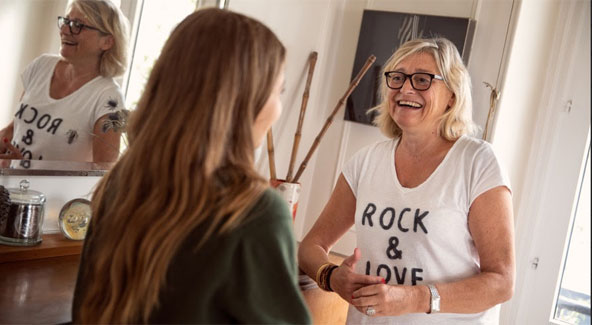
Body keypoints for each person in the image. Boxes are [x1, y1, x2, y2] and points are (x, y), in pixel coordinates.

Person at [71, 8, 312, 324]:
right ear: (242, 99)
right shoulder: (253, 212)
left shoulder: (121, 183)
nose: (279, 109)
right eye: (277, 92)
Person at [298, 38, 515, 324]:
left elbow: (502, 282)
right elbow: (311, 246)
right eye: (397, 78)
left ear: (452, 94)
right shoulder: (365, 162)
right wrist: (332, 276)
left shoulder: (478, 162)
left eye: (422, 80)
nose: (405, 88)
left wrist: (413, 298)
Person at [0, 0, 129, 163]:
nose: (65, 30)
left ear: (107, 42)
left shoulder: (110, 99)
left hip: (51, 189)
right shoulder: (41, 65)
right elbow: (16, 127)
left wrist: (29, 172)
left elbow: (103, 174)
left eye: (78, 24)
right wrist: (5, 137)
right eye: (66, 21)